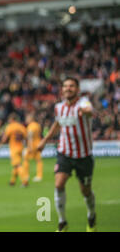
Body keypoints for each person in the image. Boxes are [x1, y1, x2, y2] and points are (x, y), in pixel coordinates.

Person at [37, 77, 96, 232]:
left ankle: (91, 215)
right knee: (59, 184)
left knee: (86, 190)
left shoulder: (84, 102)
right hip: (65, 153)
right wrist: (44, 141)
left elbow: (90, 111)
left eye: (71, 86)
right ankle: (62, 222)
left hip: (84, 155)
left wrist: (86, 111)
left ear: (77, 89)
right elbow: (57, 124)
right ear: (62, 90)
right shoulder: (59, 107)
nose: (68, 88)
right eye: (65, 86)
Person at [0, 113, 27, 187]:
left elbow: (5, 138)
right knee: (16, 165)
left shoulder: (10, 127)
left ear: (12, 119)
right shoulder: (21, 127)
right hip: (21, 147)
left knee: (17, 165)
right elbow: (25, 137)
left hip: (14, 148)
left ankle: (24, 181)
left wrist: (0, 144)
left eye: (9, 119)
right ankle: (12, 181)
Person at [21, 113, 43, 184]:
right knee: (38, 160)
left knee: (25, 159)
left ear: (31, 119)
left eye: (27, 118)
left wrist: (29, 146)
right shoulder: (37, 125)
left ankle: (26, 175)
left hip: (32, 145)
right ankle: (39, 176)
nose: (26, 120)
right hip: (38, 144)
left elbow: (30, 137)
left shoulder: (30, 126)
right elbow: (40, 135)